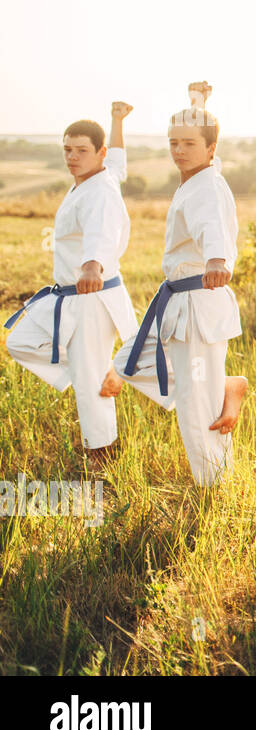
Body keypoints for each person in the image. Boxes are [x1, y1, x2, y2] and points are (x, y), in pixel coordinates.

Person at [107, 83, 248, 485]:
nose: (179, 150)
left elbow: (211, 226)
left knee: (195, 404)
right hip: (175, 305)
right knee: (127, 363)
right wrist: (198, 106)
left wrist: (217, 259)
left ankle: (215, 489)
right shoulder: (198, 177)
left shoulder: (205, 188)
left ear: (211, 148)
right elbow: (203, 141)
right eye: (173, 143)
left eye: (188, 143)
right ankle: (226, 384)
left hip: (196, 307)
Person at [5, 103, 137, 470]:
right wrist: (117, 122)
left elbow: (101, 230)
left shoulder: (99, 192)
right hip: (68, 295)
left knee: (90, 380)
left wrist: (93, 264)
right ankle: (100, 372)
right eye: (67, 149)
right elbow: (121, 161)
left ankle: (103, 454)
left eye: (81, 150)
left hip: (92, 294)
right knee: (20, 341)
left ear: (99, 153)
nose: (72, 157)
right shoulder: (102, 175)